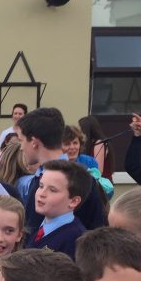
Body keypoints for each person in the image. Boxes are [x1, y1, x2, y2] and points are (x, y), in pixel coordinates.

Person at [17, 107, 106, 235]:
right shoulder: (38, 177)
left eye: (21, 140)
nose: (21, 147)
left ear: (34, 142)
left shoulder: (82, 180)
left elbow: (97, 232)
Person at [25, 160, 91, 259]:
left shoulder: (74, 240)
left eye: (52, 190)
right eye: (41, 186)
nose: (41, 194)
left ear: (73, 201)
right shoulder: (41, 226)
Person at [79, 115, 114, 181]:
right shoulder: (89, 145)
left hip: (101, 184)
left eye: (80, 130)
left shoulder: (99, 144)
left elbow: (98, 171)